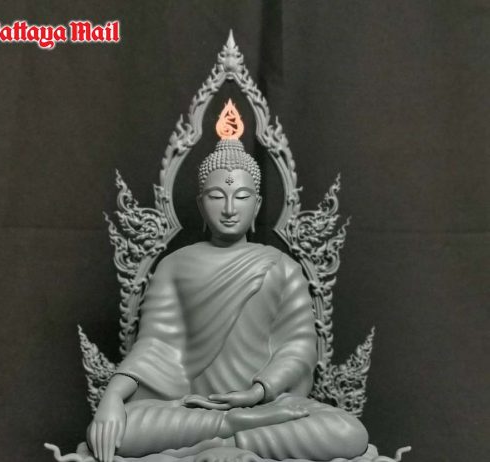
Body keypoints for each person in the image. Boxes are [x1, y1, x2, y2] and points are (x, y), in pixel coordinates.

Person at [86, 105, 369, 462]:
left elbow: (298, 347)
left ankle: (230, 439)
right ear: (200, 204)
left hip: (265, 404)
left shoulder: (282, 267)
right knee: (121, 431)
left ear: (258, 204)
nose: (230, 208)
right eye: (217, 196)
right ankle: (235, 428)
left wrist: (259, 391)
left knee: (347, 432)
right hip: (192, 406)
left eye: (242, 196)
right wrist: (113, 396)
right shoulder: (174, 266)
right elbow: (156, 346)